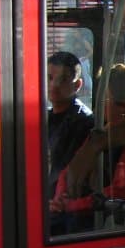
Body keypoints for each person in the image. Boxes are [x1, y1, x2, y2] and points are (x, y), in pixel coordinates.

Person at [50, 64, 125, 225]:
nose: (99, 105)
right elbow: (70, 169)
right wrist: (59, 198)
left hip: (121, 223)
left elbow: (120, 193)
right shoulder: (104, 133)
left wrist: (72, 206)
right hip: (86, 211)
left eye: (105, 99)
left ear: (123, 104)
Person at [46, 51, 94, 200]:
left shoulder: (83, 122)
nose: (54, 85)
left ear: (78, 85)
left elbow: (64, 172)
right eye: (49, 78)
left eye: (64, 80)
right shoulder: (43, 117)